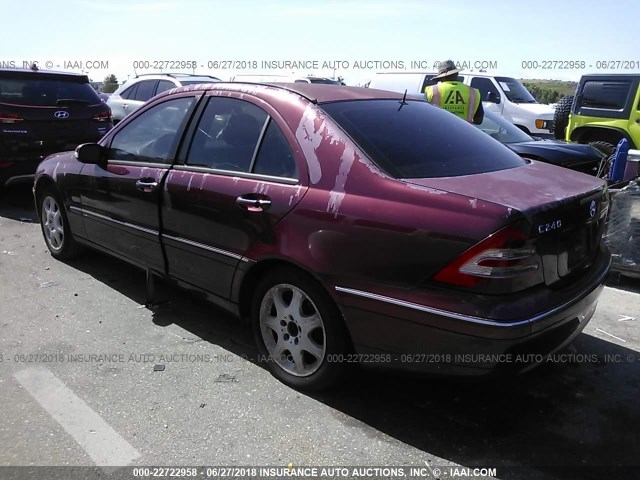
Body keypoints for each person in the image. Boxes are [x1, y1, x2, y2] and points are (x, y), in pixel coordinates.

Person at [425, 59, 484, 124]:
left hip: (439, 132)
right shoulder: (473, 92)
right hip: (463, 133)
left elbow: (425, 117)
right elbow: (479, 120)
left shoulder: (431, 91)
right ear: (457, 74)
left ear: (441, 77)